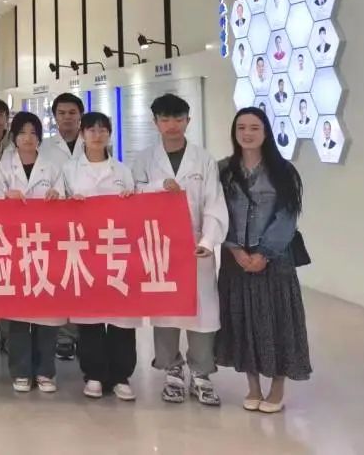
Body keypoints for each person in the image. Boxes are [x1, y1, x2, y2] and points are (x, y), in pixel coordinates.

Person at [131, 94, 227, 407]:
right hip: (160, 246)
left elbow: (213, 202)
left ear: (188, 120)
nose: (172, 125)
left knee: (201, 311)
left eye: (178, 119)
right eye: (165, 119)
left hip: (195, 246)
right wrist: (159, 187)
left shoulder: (204, 159)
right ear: (155, 122)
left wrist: (208, 241)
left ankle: (201, 373)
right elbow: (133, 196)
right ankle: (171, 369)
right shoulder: (144, 159)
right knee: (166, 310)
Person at [216, 107, 311, 413]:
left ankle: (277, 386)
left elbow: (288, 216)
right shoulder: (223, 170)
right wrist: (235, 249)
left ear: (266, 132)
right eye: (241, 127)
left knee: (277, 320)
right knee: (243, 320)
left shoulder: (283, 171)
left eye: (254, 128)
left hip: (275, 259)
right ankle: (253, 386)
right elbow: (216, 212)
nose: (247, 133)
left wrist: (264, 253)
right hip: (235, 259)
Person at [59, 112, 139, 401]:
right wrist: (70, 204)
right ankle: (94, 373)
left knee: (121, 318)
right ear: (82, 134)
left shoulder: (122, 171)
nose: (97, 134)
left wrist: (130, 202)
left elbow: (137, 209)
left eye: (103, 129)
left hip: (117, 250)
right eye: (91, 130)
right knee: (90, 316)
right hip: (85, 250)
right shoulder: (69, 170)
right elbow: (56, 206)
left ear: (109, 134)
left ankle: (121, 375)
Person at [0, 111, 65, 394]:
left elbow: (65, 198)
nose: (28, 138)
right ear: (14, 137)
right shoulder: (2, 168)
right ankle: (21, 370)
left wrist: (57, 196)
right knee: (18, 314)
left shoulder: (52, 167)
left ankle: (45, 371)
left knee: (47, 312)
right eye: (22, 133)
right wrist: (5, 197)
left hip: (46, 245)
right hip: (13, 246)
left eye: (33, 133)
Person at [41, 92, 84, 361]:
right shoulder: (45, 148)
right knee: (60, 277)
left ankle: (81, 332)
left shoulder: (94, 142)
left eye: (72, 113)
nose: (67, 117)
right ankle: (63, 336)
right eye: (62, 113)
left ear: (80, 115)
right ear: (54, 117)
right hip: (55, 224)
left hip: (87, 222)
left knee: (82, 277)